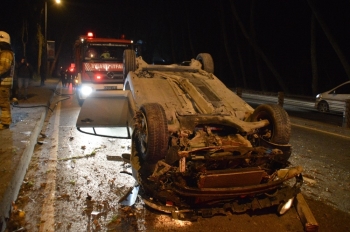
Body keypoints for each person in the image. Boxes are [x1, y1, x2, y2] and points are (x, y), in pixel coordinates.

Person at [0, 31, 15, 130]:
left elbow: (3, 67)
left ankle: (5, 123)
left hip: (4, 84)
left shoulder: (6, 53)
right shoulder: (5, 53)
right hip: (3, 84)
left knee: (4, 104)